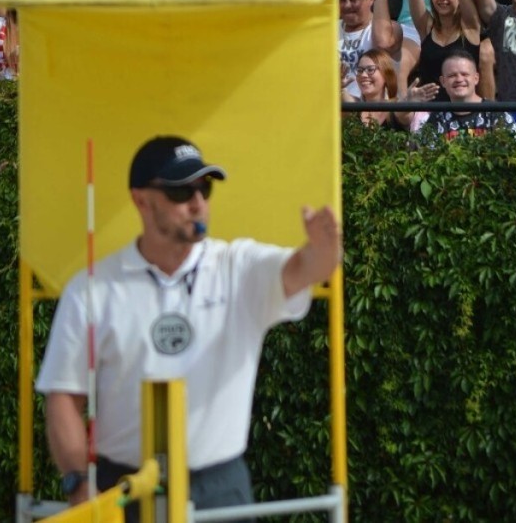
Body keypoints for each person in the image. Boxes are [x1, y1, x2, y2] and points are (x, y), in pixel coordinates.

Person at [37, 134, 341, 512]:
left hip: (219, 485)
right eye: (181, 192)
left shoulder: (237, 266)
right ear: (141, 200)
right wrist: (79, 483)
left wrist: (324, 252)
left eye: (204, 188)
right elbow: (63, 396)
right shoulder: (92, 288)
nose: (198, 203)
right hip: (126, 487)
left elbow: (301, 269)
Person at [339, 0, 405, 99]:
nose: (347, 5)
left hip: (374, 110)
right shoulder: (330, 28)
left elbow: (383, 43)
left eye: (353, 0)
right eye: (342, 0)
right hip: (335, 106)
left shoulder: (393, 29)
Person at [422, 52, 516, 139]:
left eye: (465, 74)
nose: (459, 79)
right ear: (443, 81)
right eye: (452, 76)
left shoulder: (497, 115)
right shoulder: (436, 119)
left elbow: (514, 153)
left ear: (476, 78)